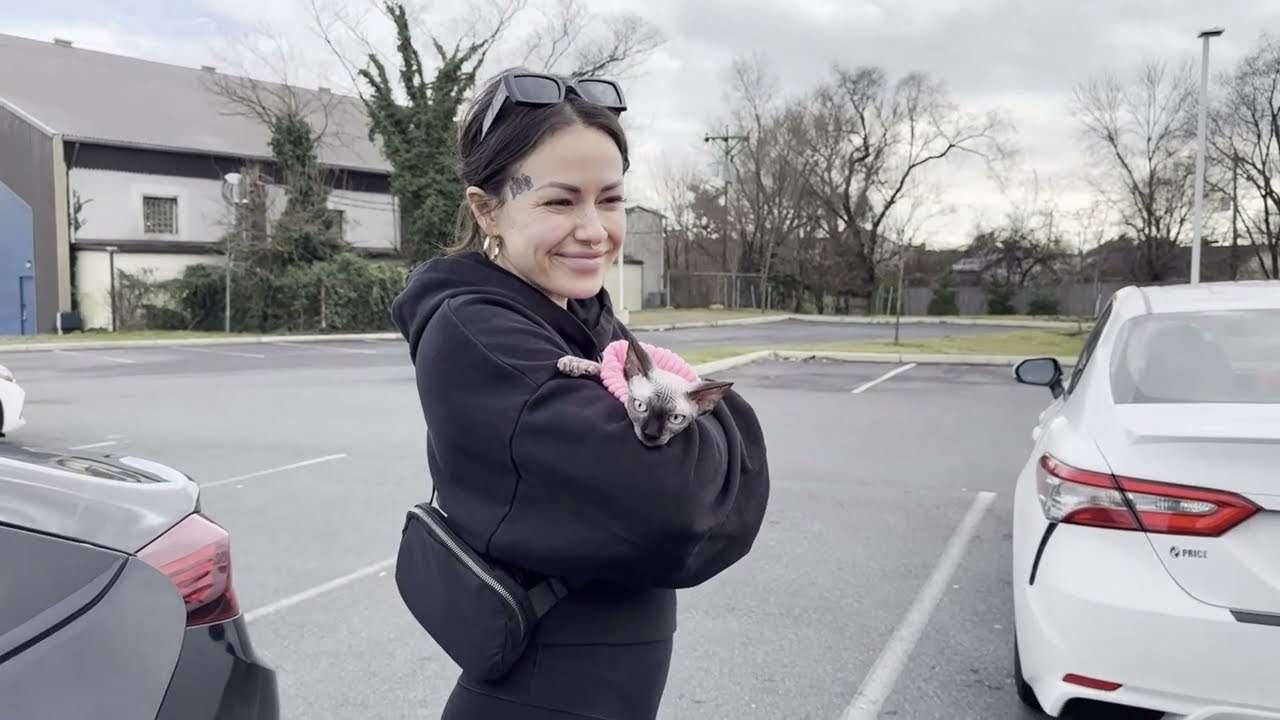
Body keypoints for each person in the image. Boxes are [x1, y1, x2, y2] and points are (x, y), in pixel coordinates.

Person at [390, 69, 771, 720]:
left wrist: (710, 424)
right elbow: (682, 500)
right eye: (560, 202)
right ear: (487, 209)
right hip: (545, 690)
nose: (594, 229)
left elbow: (727, 473)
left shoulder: (578, 313)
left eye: (610, 199)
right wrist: (712, 423)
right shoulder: (477, 332)